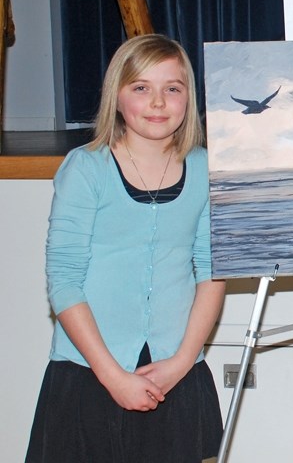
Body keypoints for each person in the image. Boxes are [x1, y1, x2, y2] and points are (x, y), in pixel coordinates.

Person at [26, 34, 226, 462]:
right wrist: (113, 377)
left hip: (175, 374)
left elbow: (212, 270)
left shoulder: (208, 167)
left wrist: (181, 362)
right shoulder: (86, 167)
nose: (157, 102)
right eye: (141, 88)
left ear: (189, 98)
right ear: (116, 96)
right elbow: (64, 280)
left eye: (172, 88)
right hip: (90, 373)